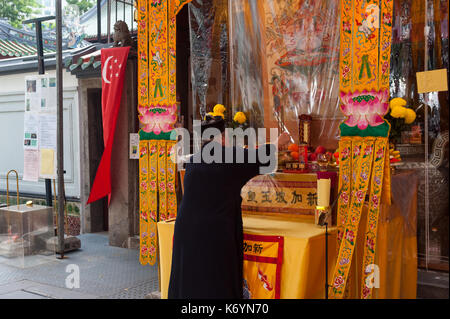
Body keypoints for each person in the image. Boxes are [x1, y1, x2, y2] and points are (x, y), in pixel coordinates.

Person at [168, 114, 290, 299]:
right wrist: (278, 142)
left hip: (187, 231)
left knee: (189, 282)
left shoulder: (195, 159)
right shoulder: (227, 156)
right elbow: (259, 157)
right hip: (212, 235)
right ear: (223, 137)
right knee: (215, 283)